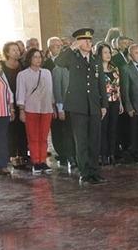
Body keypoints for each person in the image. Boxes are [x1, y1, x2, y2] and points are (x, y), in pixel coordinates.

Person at [55, 28, 108, 185]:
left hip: (94, 105)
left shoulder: (96, 59)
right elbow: (58, 62)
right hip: (78, 106)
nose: (89, 43)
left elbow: (101, 83)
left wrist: (104, 104)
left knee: (94, 140)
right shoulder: (73, 57)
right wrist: (72, 47)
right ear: (78, 43)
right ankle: (85, 173)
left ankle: (95, 172)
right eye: (85, 41)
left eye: (90, 40)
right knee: (81, 141)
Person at [16, 49, 54, 174]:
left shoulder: (47, 73)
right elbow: (21, 93)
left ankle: (43, 160)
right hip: (31, 108)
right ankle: (36, 161)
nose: (38, 59)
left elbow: (50, 91)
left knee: (43, 136)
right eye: (35, 57)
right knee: (33, 137)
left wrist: (53, 106)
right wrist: (21, 110)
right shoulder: (23, 75)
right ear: (29, 59)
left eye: (39, 57)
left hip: (46, 108)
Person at [43, 37, 74, 167]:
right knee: (57, 129)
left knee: (68, 129)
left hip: (69, 100)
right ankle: (61, 153)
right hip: (53, 102)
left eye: (60, 46)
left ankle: (70, 153)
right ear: (50, 48)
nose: (59, 48)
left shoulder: (67, 62)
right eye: (56, 46)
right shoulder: (46, 64)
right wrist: (56, 105)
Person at [97, 43, 124, 165]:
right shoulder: (96, 70)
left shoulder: (114, 69)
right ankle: (103, 154)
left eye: (109, 52)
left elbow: (118, 87)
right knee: (103, 129)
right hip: (103, 103)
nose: (108, 55)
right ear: (100, 54)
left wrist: (121, 102)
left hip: (115, 101)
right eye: (105, 52)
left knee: (113, 128)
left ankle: (112, 153)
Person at [2, 41, 27, 167]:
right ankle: (12, 155)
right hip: (7, 101)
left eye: (18, 50)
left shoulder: (22, 65)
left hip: (21, 101)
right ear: (7, 52)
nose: (17, 52)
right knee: (10, 129)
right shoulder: (1, 66)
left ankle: (22, 153)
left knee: (22, 128)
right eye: (13, 50)